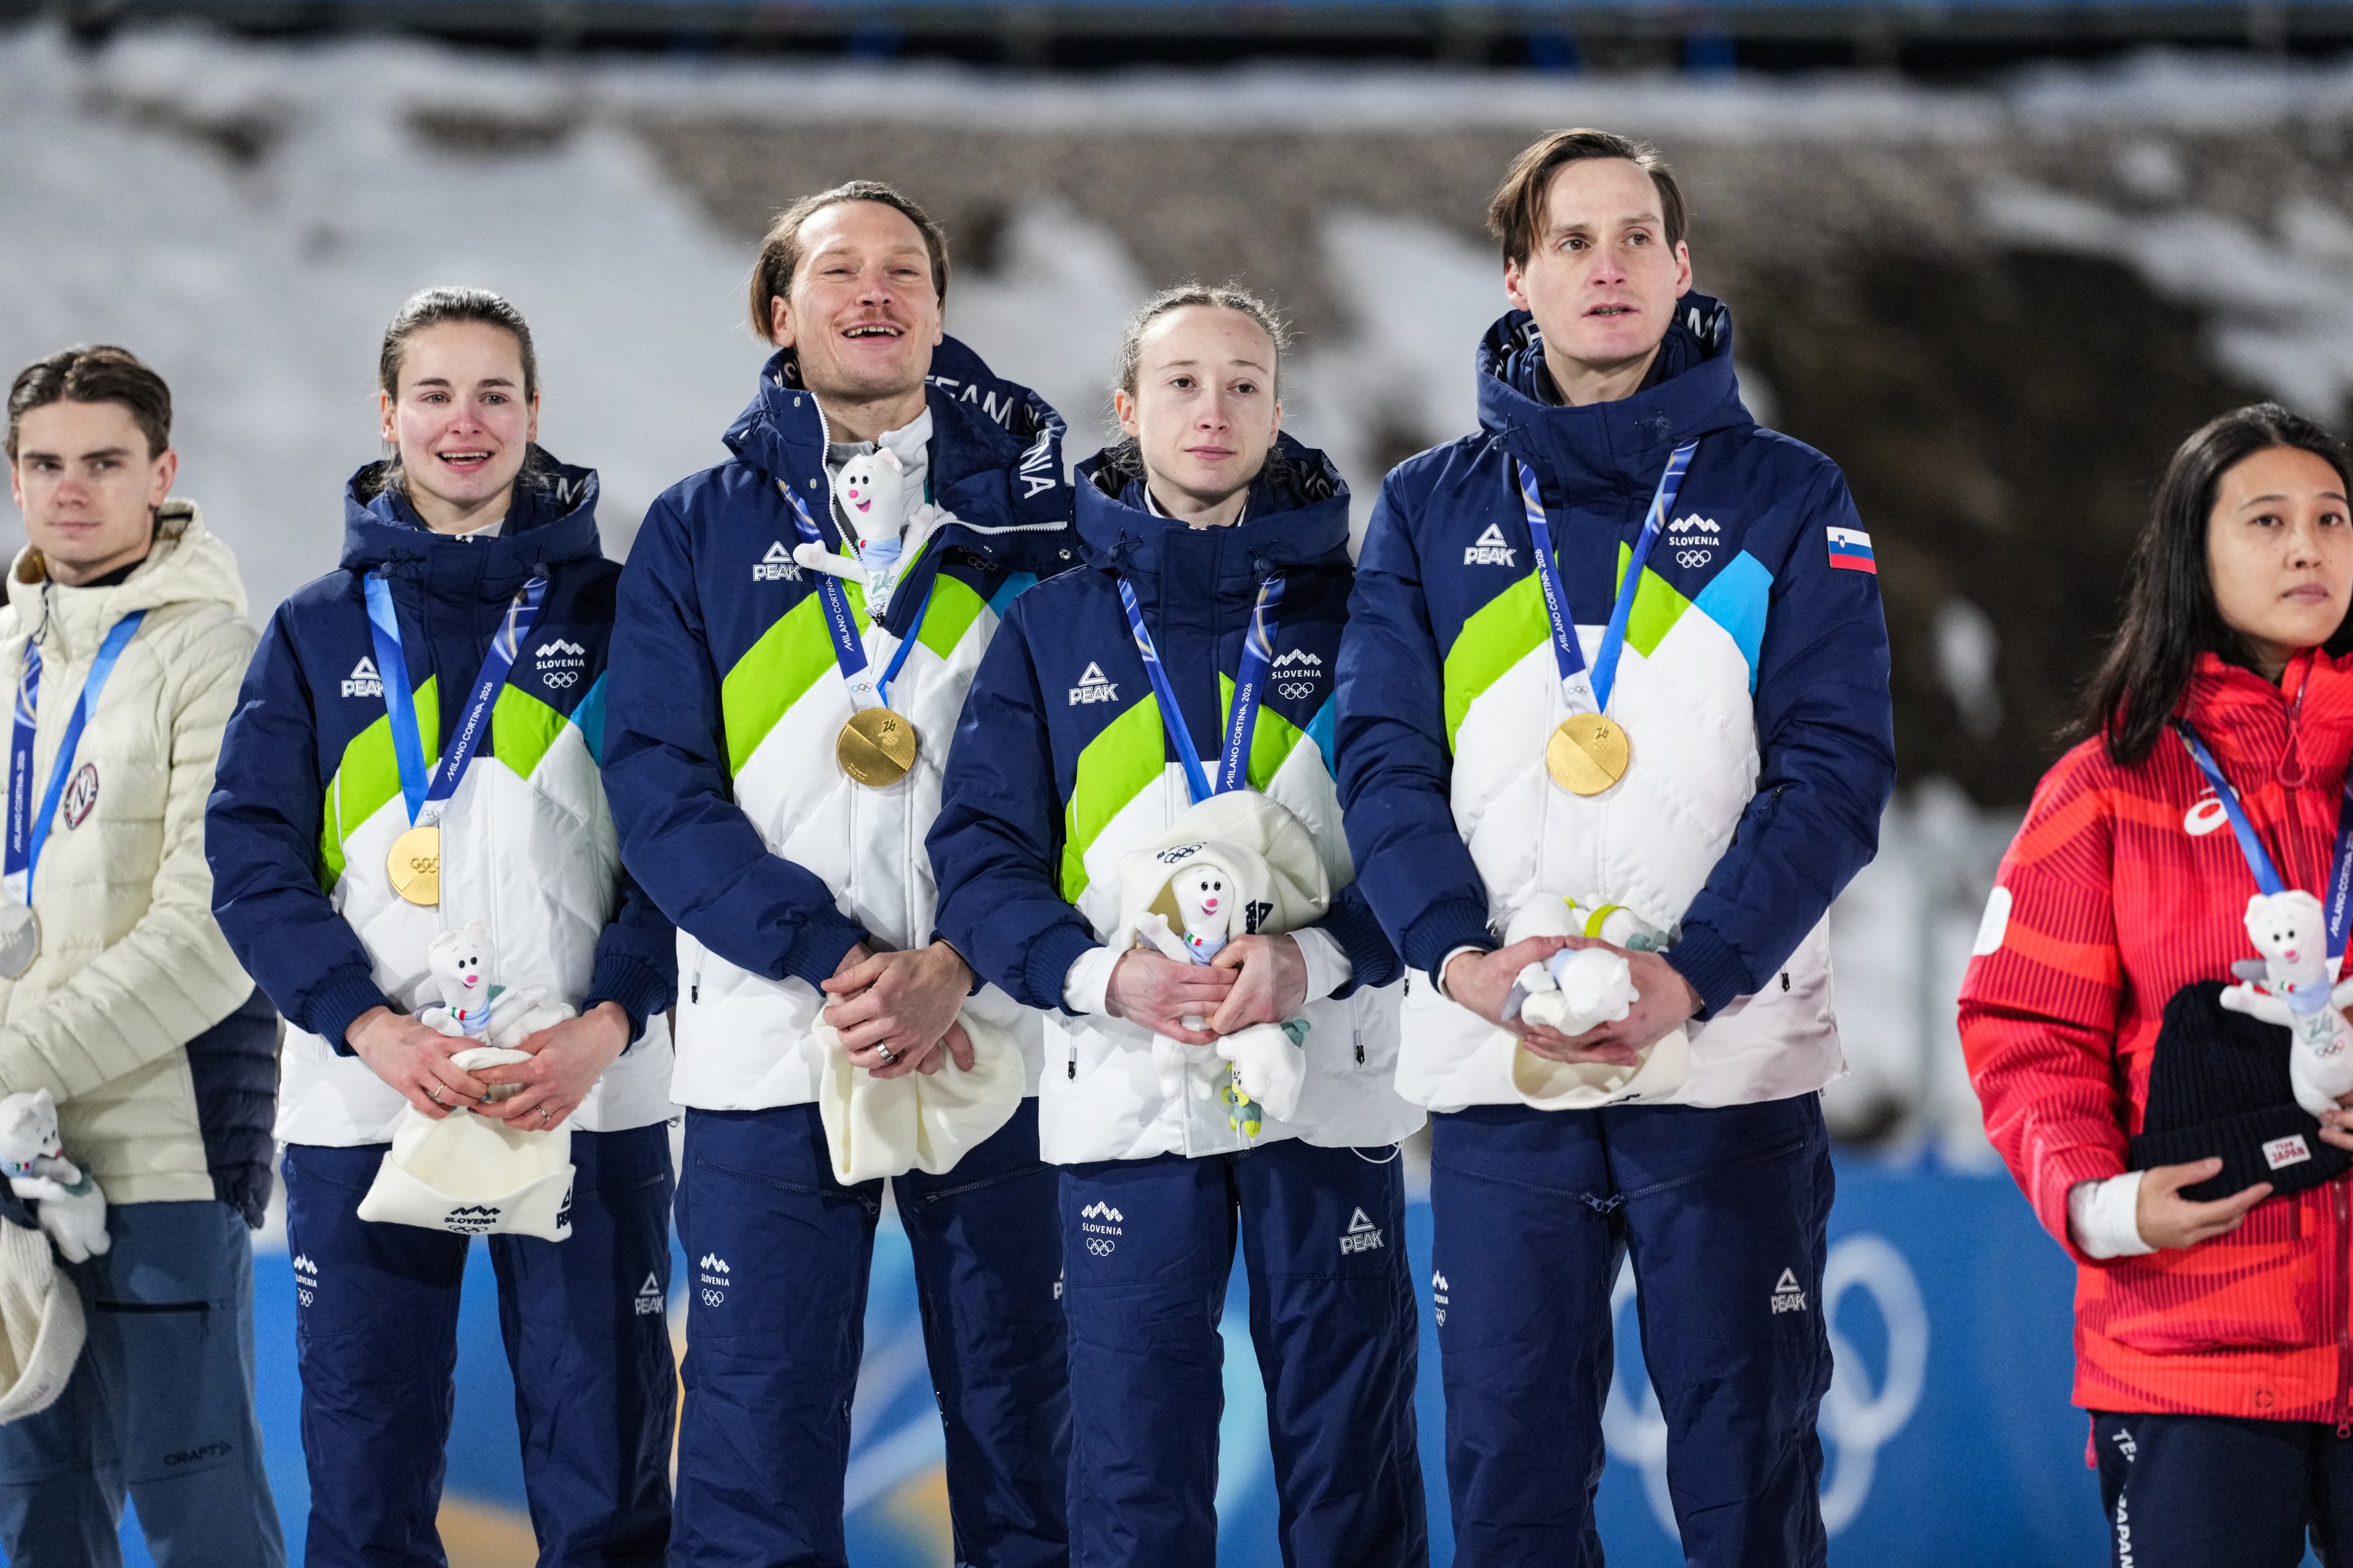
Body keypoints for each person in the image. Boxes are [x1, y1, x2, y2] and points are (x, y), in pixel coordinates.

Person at [1335, 129, 1896, 1565]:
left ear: (1681, 265)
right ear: (1515, 273)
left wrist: (1691, 973)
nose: (1606, 266)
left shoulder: (1791, 495)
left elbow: (1835, 775)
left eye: (1635, 236)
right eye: (1572, 241)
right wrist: (1458, 959)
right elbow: (1381, 762)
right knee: (1510, 1481)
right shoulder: (1425, 506)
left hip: (1724, 1058)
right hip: (1497, 1053)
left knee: (1743, 1477)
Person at [602, 181, 1074, 1568]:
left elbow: (1089, 777)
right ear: (777, 311)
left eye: (904, 273)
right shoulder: (696, 528)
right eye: (839, 272)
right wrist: (836, 958)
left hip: (1007, 1030)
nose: (875, 293)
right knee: (753, 1441)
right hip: (775, 1036)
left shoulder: (1042, 523)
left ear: (937, 306)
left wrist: (963, 958)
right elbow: (656, 787)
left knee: (1030, 1426)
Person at [929, 284, 1428, 1568]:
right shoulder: (1051, 625)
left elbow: (1429, 840)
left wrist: (1314, 958)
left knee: (1348, 1455)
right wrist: (1103, 977)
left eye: (1245, 382)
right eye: (1184, 382)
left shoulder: (1366, 610)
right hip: (1128, 1086)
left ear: (1277, 409)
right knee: (1131, 1471)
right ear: (1128, 408)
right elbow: (980, 861)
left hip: (1323, 1078)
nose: (1214, 408)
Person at [206, 289, 678, 1567]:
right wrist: (366, 1026)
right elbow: (250, 858)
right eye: (435, 393)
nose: (463, 423)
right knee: (364, 1492)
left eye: (493, 394)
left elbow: (679, 845)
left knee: (608, 1482)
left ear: (534, 415)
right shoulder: (313, 631)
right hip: (371, 1102)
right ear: (388, 415)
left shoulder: (622, 612)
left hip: (583, 1093)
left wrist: (611, 1020)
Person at [1960, 405, 2353, 1566]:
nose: (2307, 548)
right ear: (2195, 552)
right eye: (2269, 520)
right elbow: (2024, 1032)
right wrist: (2101, 1203)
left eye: (2333, 519)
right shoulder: (2104, 790)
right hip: (2189, 1339)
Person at [0, 346, 281, 1566]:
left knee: (195, 1515)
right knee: (34, 1510)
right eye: (45, 463)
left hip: (160, 1151)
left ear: (161, 473)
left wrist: (9, 1055)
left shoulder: (218, 654)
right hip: (17, 1150)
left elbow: (212, 936)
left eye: (104, 462)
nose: (73, 490)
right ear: (14, 480)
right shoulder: (7, 661)